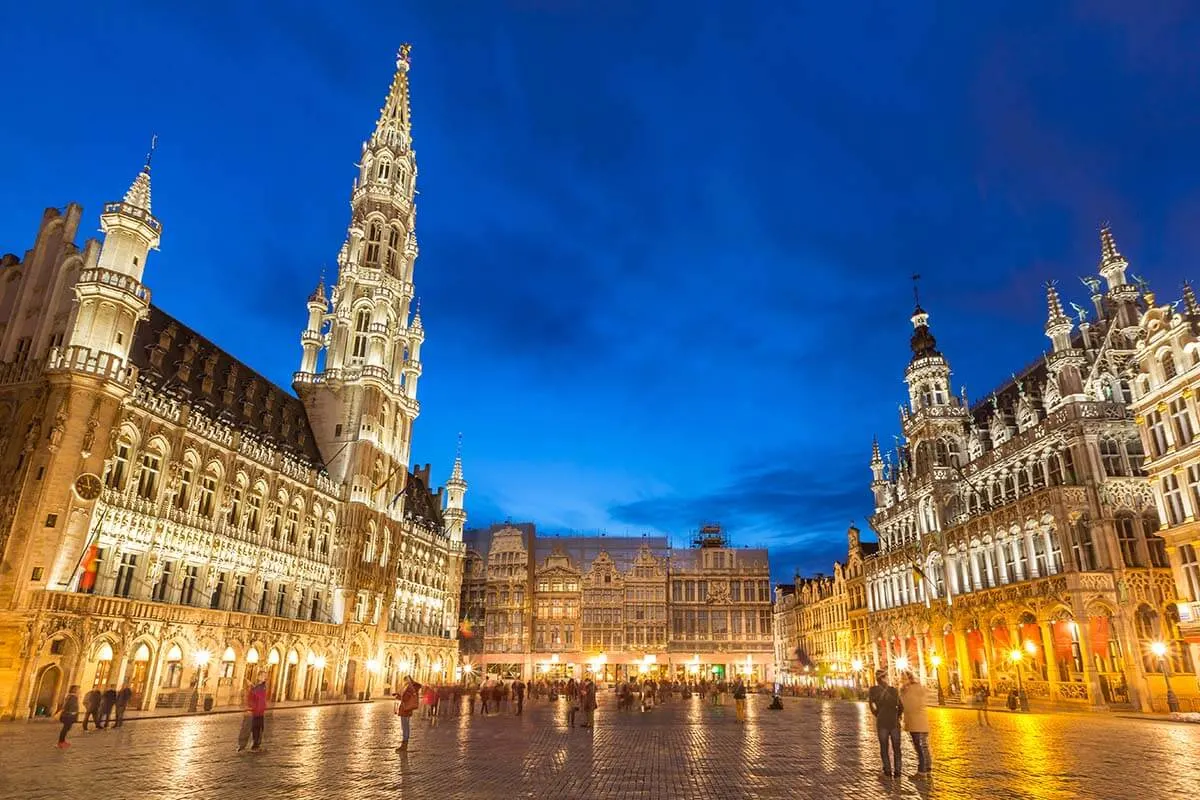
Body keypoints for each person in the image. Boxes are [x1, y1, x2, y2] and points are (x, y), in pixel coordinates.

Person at [867, 670, 903, 778]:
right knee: (896, 747)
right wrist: (897, 715)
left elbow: (871, 705)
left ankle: (887, 770)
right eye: (886, 676)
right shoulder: (894, 690)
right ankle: (898, 771)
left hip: (882, 721)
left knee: (884, 747)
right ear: (883, 678)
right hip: (894, 722)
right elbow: (901, 706)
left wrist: (877, 714)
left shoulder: (873, 690)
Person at [900, 672, 932, 777]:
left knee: (919, 746)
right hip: (921, 721)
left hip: (915, 722)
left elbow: (907, 706)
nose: (902, 681)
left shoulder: (909, 690)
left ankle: (922, 770)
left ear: (909, 679)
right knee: (923, 745)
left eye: (903, 679)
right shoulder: (918, 688)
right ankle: (927, 767)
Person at [395, 677, 421, 752]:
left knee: (405, 727)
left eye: (405, 680)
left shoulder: (409, 688)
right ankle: (404, 744)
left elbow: (406, 698)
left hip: (405, 709)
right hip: (408, 710)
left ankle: (404, 745)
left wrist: (399, 696)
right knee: (406, 727)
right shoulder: (413, 688)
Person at [244, 674, 269, 752]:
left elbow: (256, 692)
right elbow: (254, 694)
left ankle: (256, 745)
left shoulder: (263, 686)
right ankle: (256, 744)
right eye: (260, 676)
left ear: (264, 678)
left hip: (259, 710)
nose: (260, 677)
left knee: (257, 728)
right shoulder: (260, 686)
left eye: (262, 676)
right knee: (255, 728)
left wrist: (251, 685)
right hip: (257, 710)